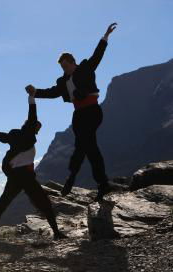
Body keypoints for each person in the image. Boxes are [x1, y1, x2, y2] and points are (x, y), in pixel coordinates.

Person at [25, 23, 117, 201]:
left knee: (86, 144)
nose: (65, 70)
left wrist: (105, 36)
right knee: (85, 147)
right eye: (62, 68)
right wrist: (35, 92)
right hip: (79, 114)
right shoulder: (63, 81)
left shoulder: (85, 69)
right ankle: (100, 184)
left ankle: (74, 177)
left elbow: (97, 55)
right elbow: (52, 93)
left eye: (66, 66)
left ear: (73, 62)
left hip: (92, 111)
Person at [0, 94, 66, 240]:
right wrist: (32, 98)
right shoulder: (28, 134)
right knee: (44, 203)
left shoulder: (14, 136)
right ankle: (56, 233)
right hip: (24, 176)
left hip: (16, 176)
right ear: (31, 126)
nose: (38, 130)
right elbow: (32, 115)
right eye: (37, 127)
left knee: (3, 203)